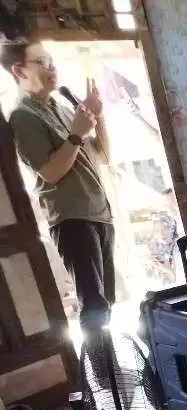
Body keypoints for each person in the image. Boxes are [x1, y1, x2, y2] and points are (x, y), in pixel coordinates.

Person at [2, 40, 114, 329]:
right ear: (20, 71)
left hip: (98, 212)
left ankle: (113, 369)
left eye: (51, 61)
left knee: (107, 304)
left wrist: (97, 119)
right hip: (72, 218)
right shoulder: (23, 116)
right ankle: (102, 372)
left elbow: (99, 155)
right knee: (94, 308)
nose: (52, 68)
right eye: (42, 62)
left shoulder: (61, 107)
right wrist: (76, 135)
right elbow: (50, 173)